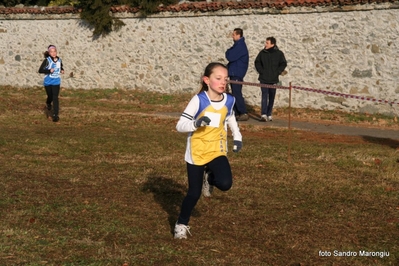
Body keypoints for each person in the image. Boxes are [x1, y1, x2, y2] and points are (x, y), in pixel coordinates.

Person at [174, 62, 243, 239]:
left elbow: (230, 118)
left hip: (217, 149)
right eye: (218, 78)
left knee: (225, 183)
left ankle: (210, 178)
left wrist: (237, 136)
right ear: (207, 80)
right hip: (197, 151)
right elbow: (180, 125)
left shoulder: (229, 99)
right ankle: (181, 224)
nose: (223, 82)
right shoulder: (199, 100)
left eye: (225, 79)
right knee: (194, 193)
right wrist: (195, 124)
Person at [254, 36, 287, 122]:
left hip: (273, 79)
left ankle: (269, 114)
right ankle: (263, 114)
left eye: (267, 43)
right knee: (264, 96)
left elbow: (283, 63)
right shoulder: (262, 53)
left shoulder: (279, 54)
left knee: (271, 97)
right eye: (265, 42)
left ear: (272, 44)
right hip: (263, 78)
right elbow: (257, 62)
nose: (265, 44)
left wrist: (278, 71)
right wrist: (261, 71)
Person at [225, 28, 249, 121]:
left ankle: (243, 112)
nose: (232, 36)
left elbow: (230, 56)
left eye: (234, 34)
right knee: (234, 93)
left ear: (239, 35)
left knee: (237, 93)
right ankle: (236, 112)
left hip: (237, 73)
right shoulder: (237, 46)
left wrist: (228, 52)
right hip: (234, 72)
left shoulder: (240, 46)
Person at [38, 45, 64, 122]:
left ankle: (55, 115)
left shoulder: (59, 60)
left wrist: (62, 70)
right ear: (49, 53)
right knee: (50, 96)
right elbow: (40, 70)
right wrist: (49, 71)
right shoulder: (47, 60)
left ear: (56, 52)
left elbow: (60, 66)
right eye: (51, 52)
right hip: (48, 81)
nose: (53, 53)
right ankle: (48, 103)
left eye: (54, 51)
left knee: (55, 97)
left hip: (56, 81)